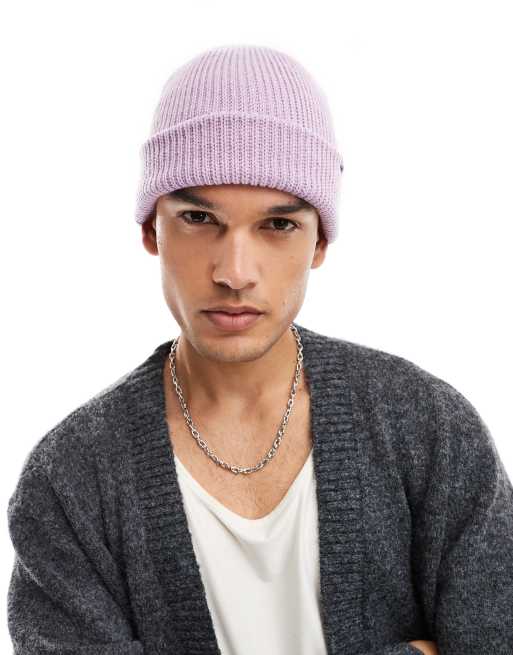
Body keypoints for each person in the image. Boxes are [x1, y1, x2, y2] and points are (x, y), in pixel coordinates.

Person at [7, 44, 512, 655]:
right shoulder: (70, 481)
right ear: (150, 230)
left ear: (319, 242)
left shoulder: (429, 429)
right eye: (199, 219)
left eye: (278, 225)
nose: (235, 272)